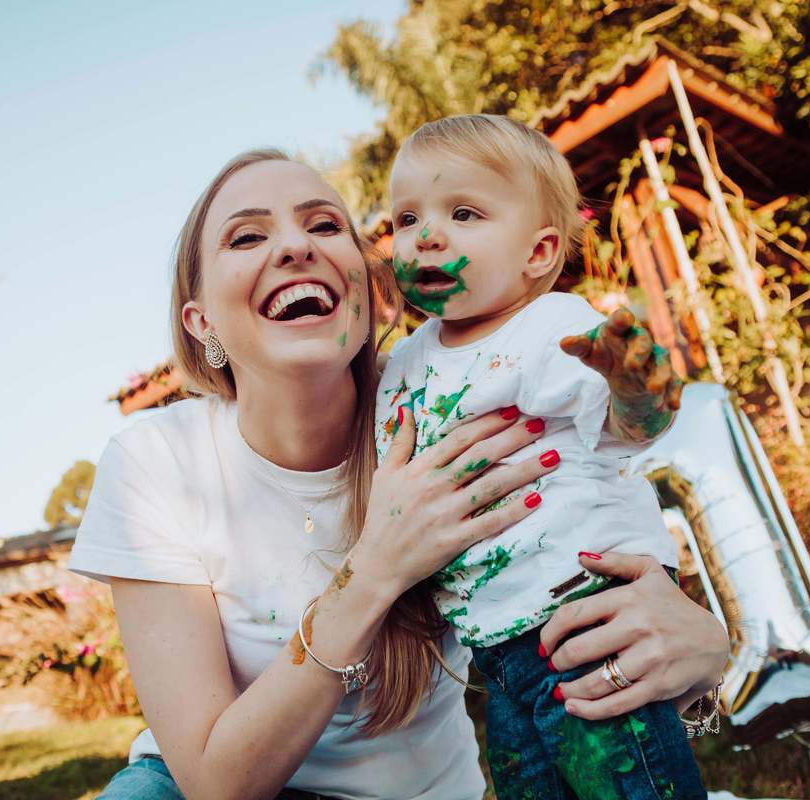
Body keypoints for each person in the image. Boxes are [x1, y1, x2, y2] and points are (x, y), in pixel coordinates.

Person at [67, 147, 729, 800]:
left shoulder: (458, 403)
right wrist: (378, 567)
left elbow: (598, 468)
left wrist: (701, 662)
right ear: (201, 320)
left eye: (325, 226)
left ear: (369, 288)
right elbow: (218, 785)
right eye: (248, 236)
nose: (297, 246)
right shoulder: (156, 462)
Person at [376, 114, 704, 799]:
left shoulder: (550, 327)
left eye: (462, 213)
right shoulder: (402, 364)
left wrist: (635, 389)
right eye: (406, 219)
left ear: (538, 251)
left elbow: (625, 428)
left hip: (587, 620)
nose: (427, 235)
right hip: (495, 652)